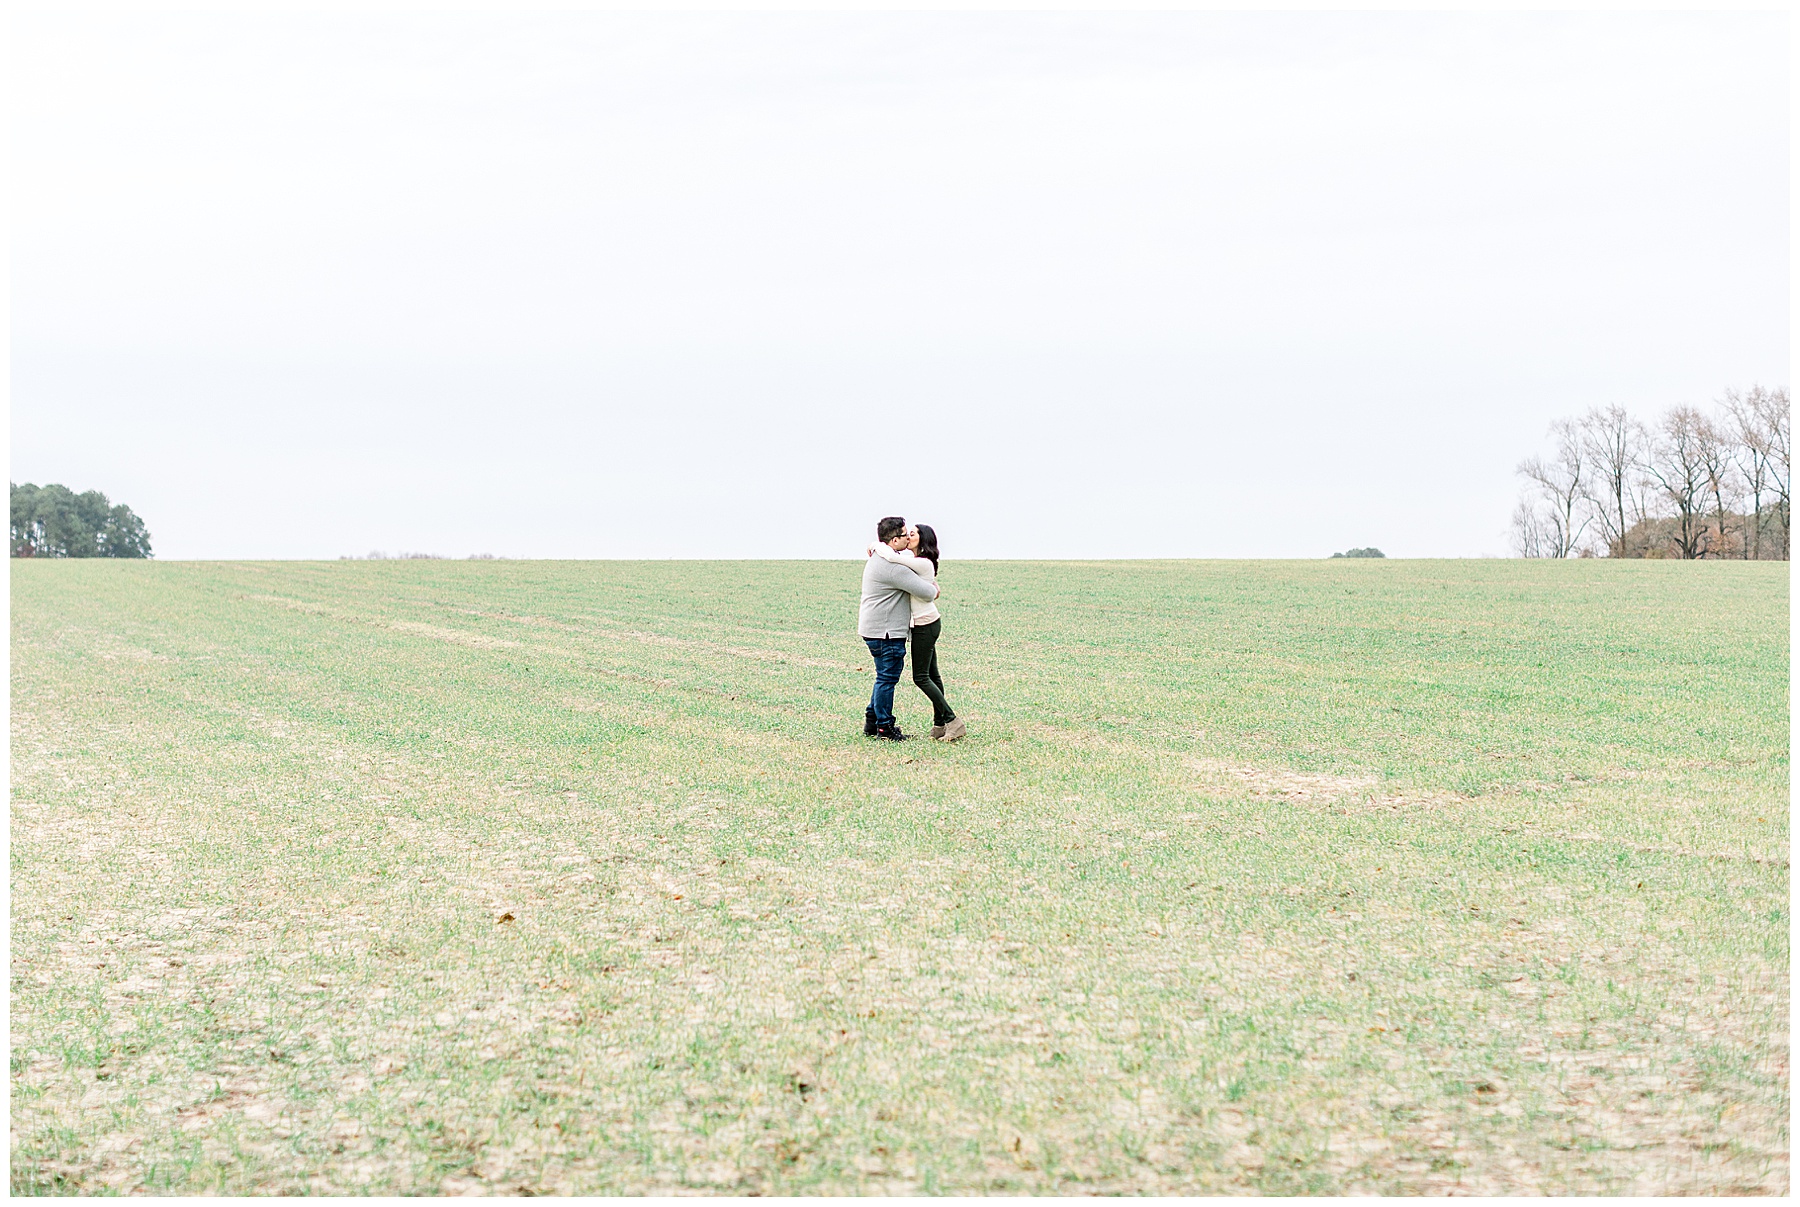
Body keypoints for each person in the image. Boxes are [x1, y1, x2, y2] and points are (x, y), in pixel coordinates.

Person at [869, 523, 965, 740]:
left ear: (923, 540)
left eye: (912, 534)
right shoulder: (918, 562)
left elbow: (892, 557)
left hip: (925, 625)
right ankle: (939, 725)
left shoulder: (921, 562)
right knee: (933, 675)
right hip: (926, 624)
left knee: (921, 677)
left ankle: (953, 721)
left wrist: (876, 544)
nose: (908, 537)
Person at [858, 516, 939, 741]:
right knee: (887, 679)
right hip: (886, 632)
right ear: (894, 541)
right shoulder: (893, 568)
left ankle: (872, 721)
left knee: (883, 677)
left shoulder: (880, 557)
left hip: (875, 628)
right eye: (905, 535)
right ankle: (884, 727)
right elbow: (927, 593)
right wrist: (934, 587)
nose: (907, 538)